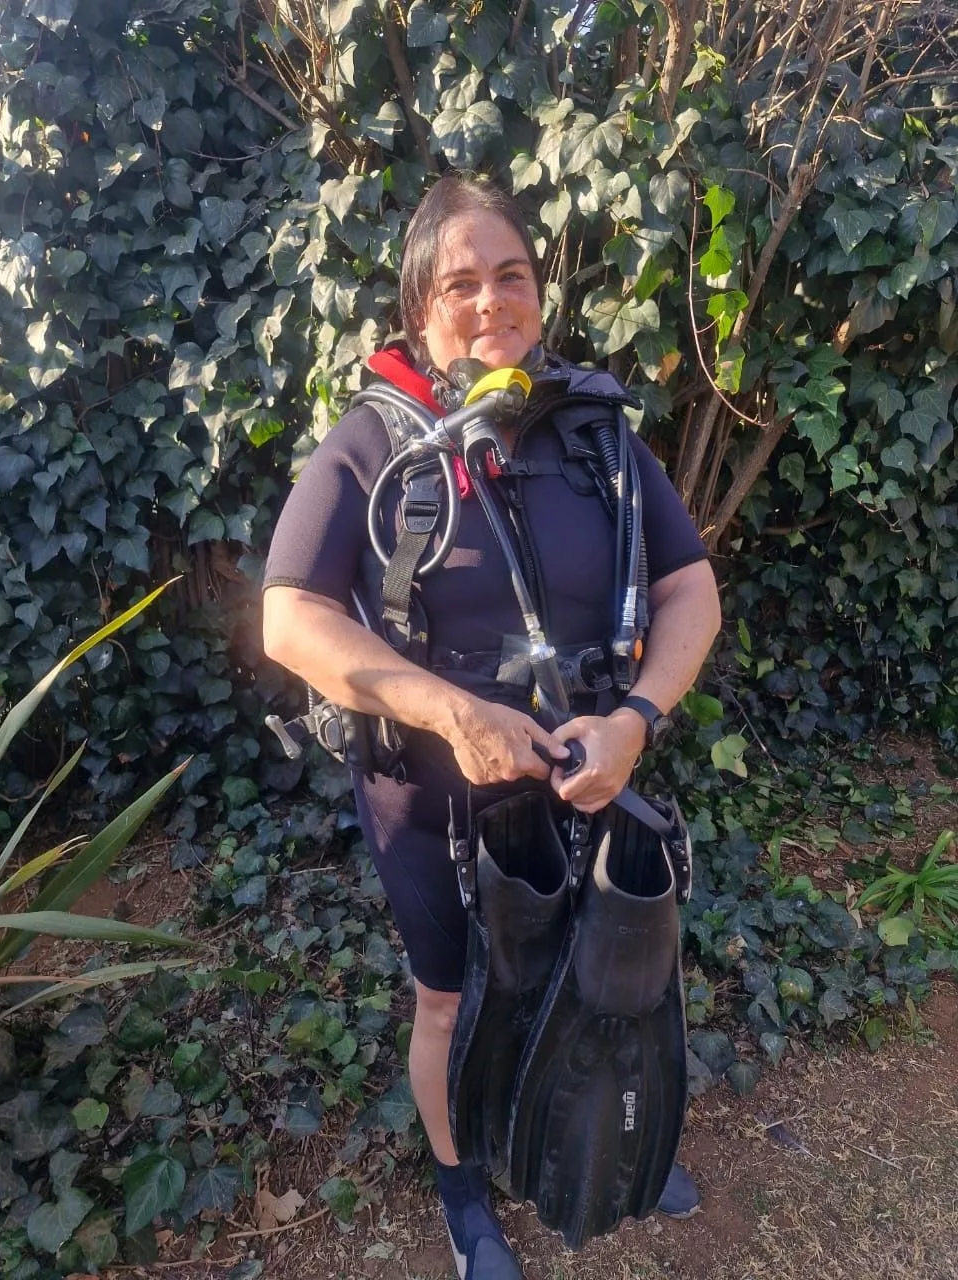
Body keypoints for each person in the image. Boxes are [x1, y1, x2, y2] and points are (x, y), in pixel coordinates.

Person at [262, 173, 721, 1280]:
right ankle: (464, 1188)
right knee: (449, 991)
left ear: (538, 292)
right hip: (431, 790)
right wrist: (446, 708)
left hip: (588, 768)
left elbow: (691, 589)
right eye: (460, 282)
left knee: (608, 964)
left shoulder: (597, 430)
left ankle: (593, 1132)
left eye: (510, 275)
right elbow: (288, 616)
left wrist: (639, 720)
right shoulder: (375, 445)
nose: (490, 300)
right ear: (421, 309)